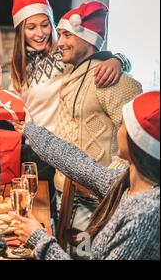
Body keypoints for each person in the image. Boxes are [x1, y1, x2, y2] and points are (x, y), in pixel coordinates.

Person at [9, 0, 132, 220]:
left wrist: (119, 60)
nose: (40, 33)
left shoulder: (63, 55)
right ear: (20, 31)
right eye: (31, 27)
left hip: (59, 149)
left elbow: (97, 53)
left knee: (56, 218)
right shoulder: (18, 67)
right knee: (42, 215)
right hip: (29, 147)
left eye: (45, 25)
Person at [10, 91, 160, 260]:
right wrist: (31, 129)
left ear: (137, 143)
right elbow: (75, 162)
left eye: (124, 126)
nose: (119, 129)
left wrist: (38, 239)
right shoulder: (126, 184)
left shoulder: (144, 215)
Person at [51, 1, 142, 236]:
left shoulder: (113, 80)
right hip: (64, 195)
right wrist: (119, 58)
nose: (59, 43)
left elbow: (135, 145)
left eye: (67, 35)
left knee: (85, 256)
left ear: (89, 38)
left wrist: (106, 184)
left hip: (94, 204)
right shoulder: (71, 73)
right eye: (60, 35)